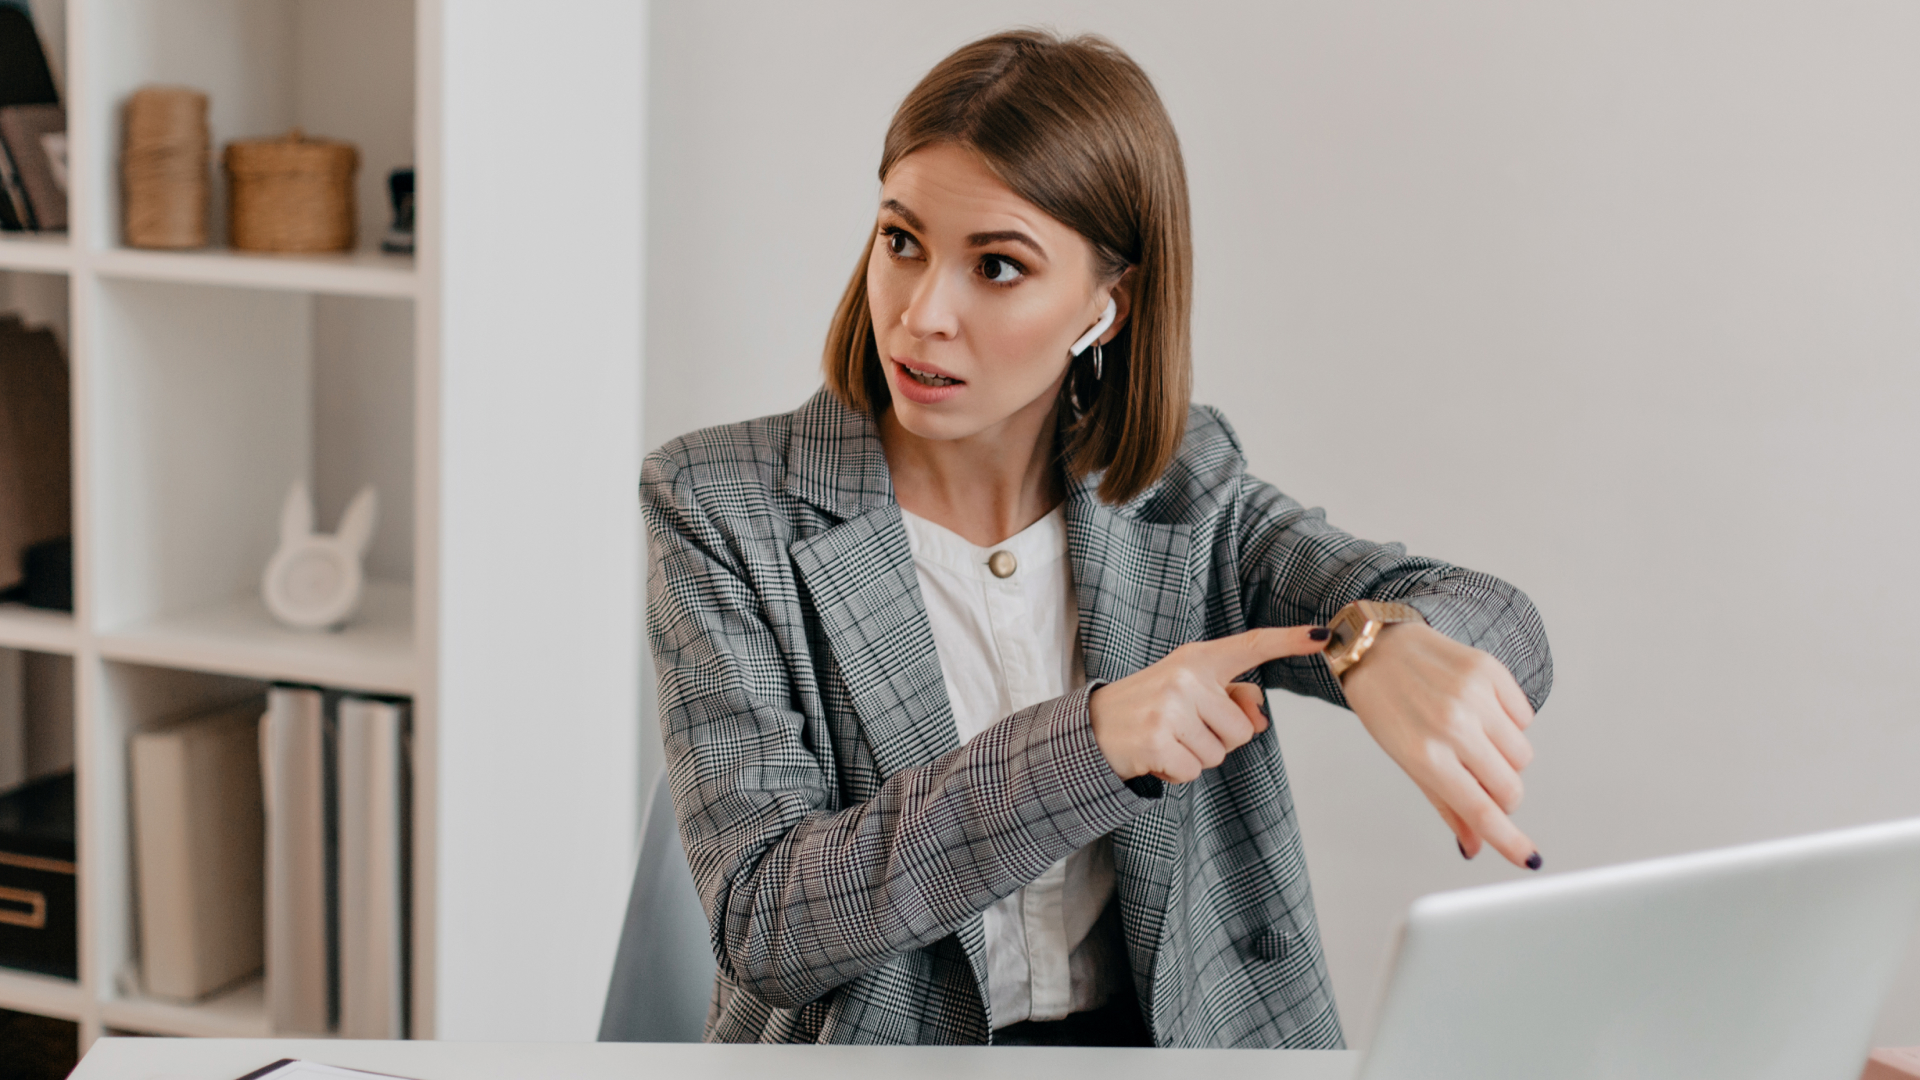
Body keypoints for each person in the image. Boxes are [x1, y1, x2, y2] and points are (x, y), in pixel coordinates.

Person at [641, 29, 1551, 1048]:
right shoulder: (721, 506)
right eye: (902, 241)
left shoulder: (1181, 489)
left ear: (1105, 308)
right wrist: (1096, 739)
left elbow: (1490, 616)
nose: (922, 314)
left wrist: (1384, 642)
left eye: (996, 266)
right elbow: (766, 921)